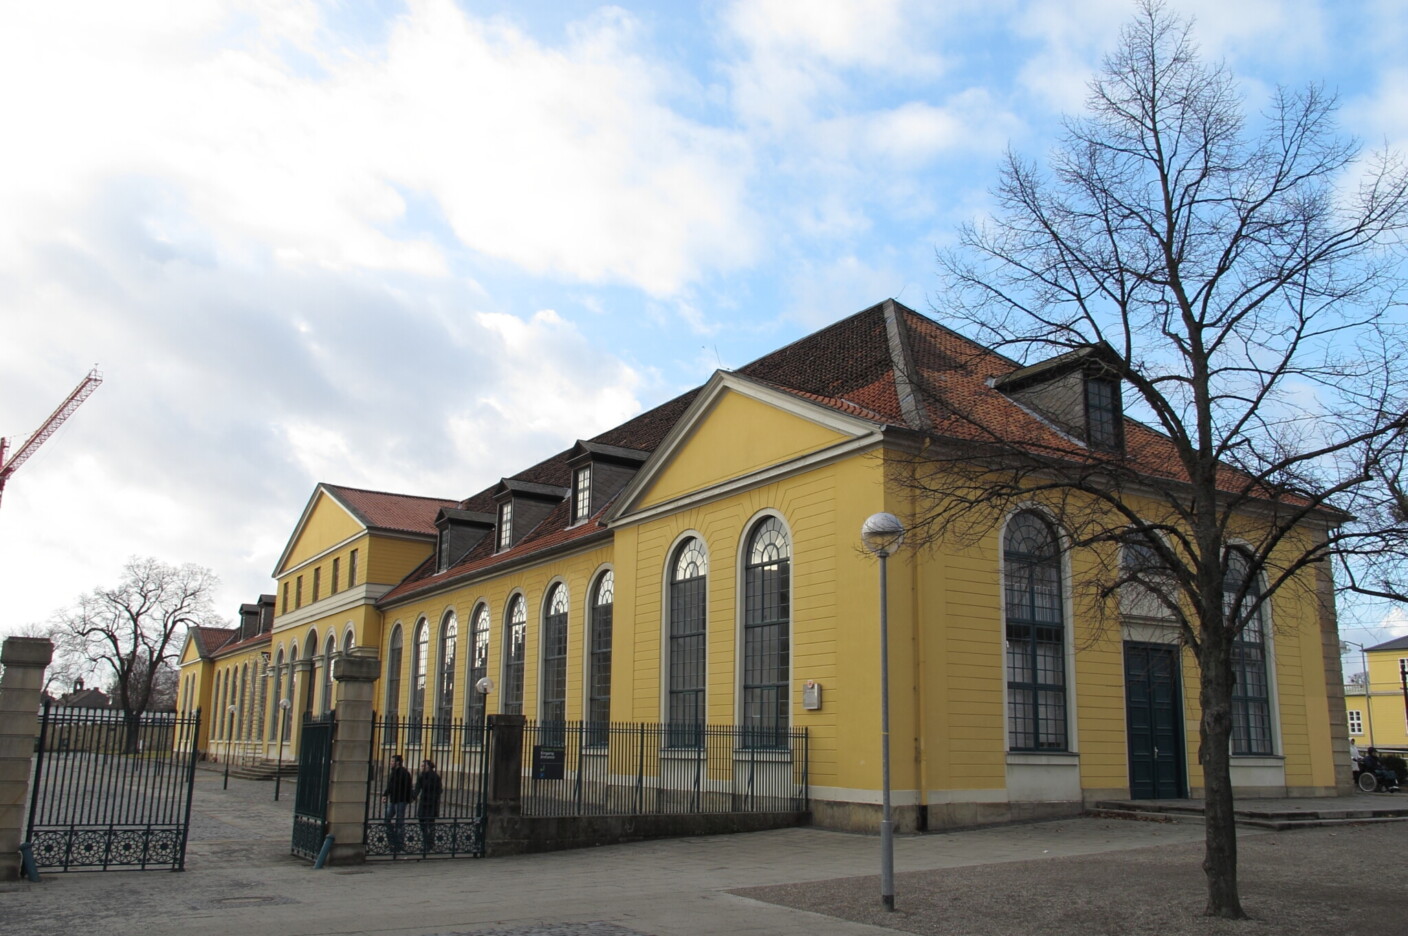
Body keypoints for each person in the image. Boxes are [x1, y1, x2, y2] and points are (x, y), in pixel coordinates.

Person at [382, 754, 414, 851]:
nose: (390, 763)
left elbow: (408, 787)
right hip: (393, 800)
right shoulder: (393, 772)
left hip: (401, 800)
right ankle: (392, 840)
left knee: (400, 822)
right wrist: (385, 794)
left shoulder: (404, 773)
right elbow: (390, 785)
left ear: (398, 762)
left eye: (392, 761)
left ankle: (399, 843)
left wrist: (408, 799)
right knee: (387, 819)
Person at [414, 759, 442, 853]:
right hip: (423, 802)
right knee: (421, 820)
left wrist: (434, 797)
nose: (421, 767)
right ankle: (426, 841)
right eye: (421, 766)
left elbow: (439, 790)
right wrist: (412, 797)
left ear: (429, 767)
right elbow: (417, 788)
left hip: (431, 803)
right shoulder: (421, 776)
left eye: (423, 766)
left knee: (430, 823)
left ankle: (429, 844)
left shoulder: (435, 777)